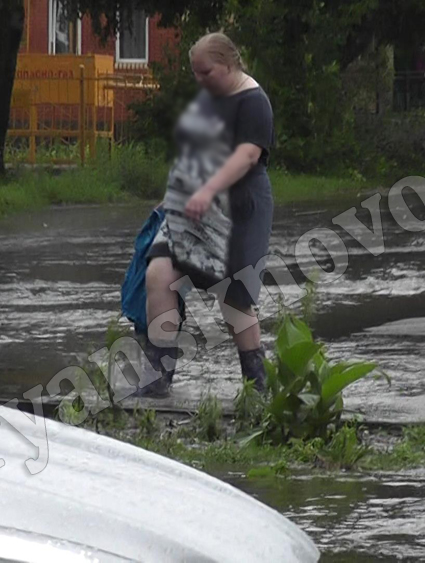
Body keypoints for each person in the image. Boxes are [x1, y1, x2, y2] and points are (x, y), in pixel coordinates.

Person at [139, 32, 275, 398]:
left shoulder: (254, 102)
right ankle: (157, 378)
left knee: (234, 296)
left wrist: (208, 190)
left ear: (229, 65)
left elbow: (247, 156)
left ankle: (256, 384)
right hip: (193, 202)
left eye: (206, 72)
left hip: (241, 205)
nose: (199, 80)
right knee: (159, 272)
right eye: (195, 73)